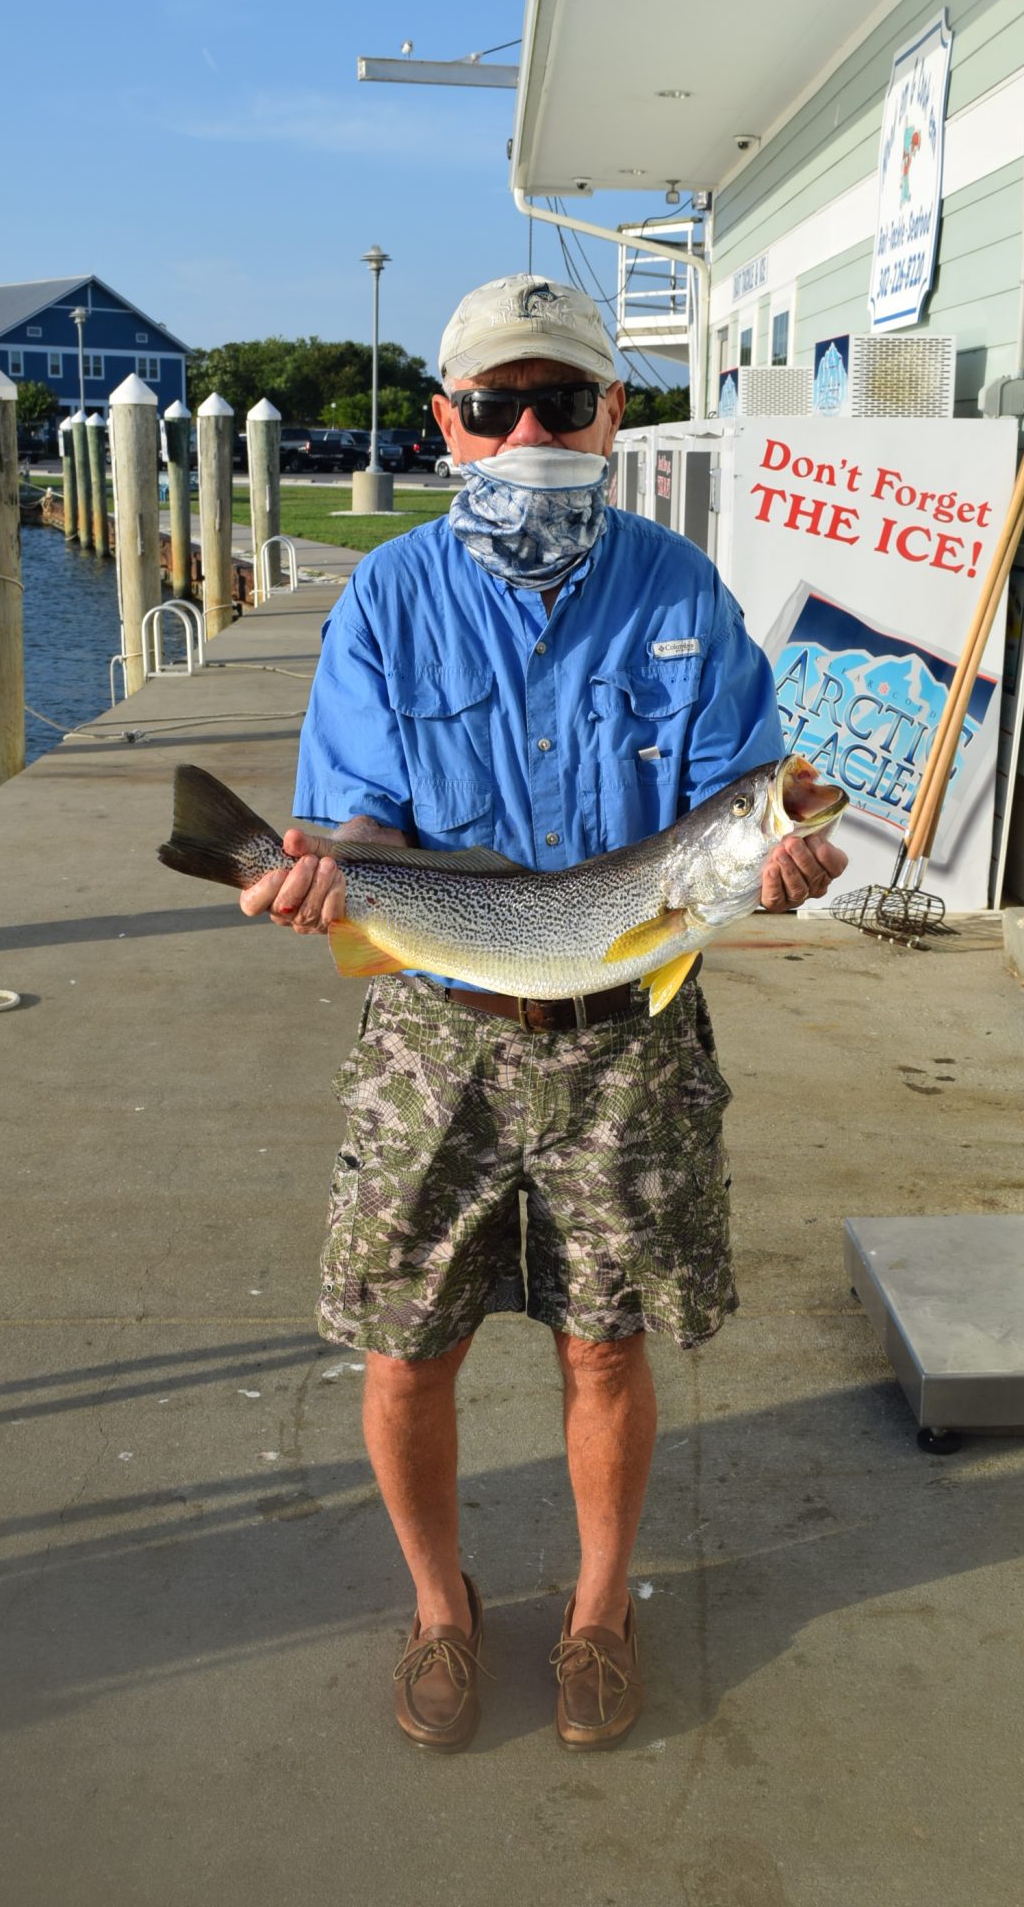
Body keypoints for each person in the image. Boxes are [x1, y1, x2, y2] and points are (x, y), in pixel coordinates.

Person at [240, 276, 847, 1751]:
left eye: (563, 401)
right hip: (435, 1029)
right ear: (445, 419)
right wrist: (307, 881)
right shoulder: (388, 596)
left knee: (605, 1341)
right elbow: (359, 822)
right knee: (408, 1346)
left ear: (611, 414)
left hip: (628, 1039)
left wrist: (778, 866)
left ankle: (594, 1609)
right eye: (498, 403)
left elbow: (740, 807)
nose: (530, 429)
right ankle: (442, 1607)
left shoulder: (680, 592)